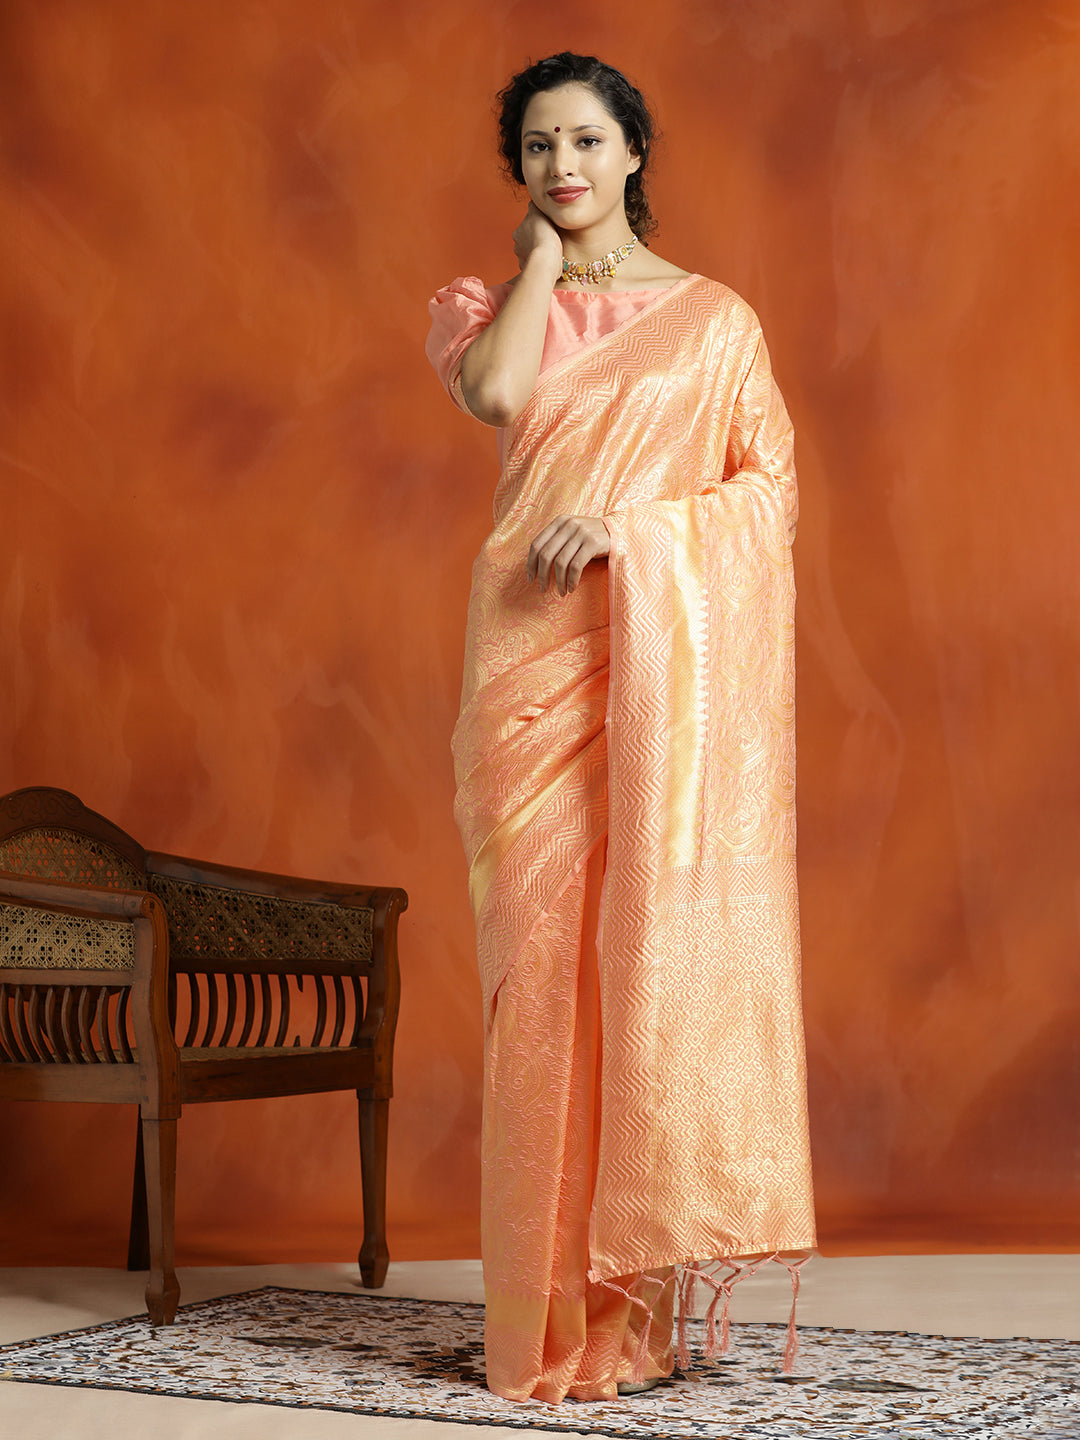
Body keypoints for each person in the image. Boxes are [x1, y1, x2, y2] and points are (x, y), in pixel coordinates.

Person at [426, 51, 816, 1406]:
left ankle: (630, 1318)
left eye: (587, 141)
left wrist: (637, 535)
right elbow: (496, 397)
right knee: (540, 989)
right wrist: (542, 264)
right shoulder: (482, 310)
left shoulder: (715, 324)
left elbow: (769, 493)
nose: (564, 167)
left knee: (637, 968)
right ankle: (539, 1326)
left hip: (654, 673)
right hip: (525, 675)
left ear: (633, 151)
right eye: (538, 147)